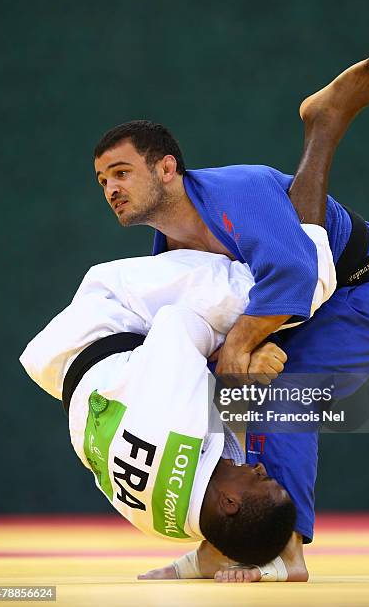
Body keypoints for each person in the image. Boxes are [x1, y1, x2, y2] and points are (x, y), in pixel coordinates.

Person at [92, 55, 369, 582]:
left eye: (122, 172)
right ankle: (224, 543)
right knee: (221, 397)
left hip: (367, 289)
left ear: (167, 168)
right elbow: (205, 343)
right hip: (303, 307)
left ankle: (285, 553)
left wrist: (243, 341)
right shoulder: (166, 256)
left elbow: (297, 272)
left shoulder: (235, 190)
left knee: (284, 395)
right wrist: (238, 351)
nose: (111, 189)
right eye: (103, 179)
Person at [19, 239, 335, 578]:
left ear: (229, 503)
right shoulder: (169, 528)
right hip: (59, 374)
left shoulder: (177, 426)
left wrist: (242, 352)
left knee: (280, 290)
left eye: (262, 481)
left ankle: (316, 235)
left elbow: (178, 320)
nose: (261, 470)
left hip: (107, 313)